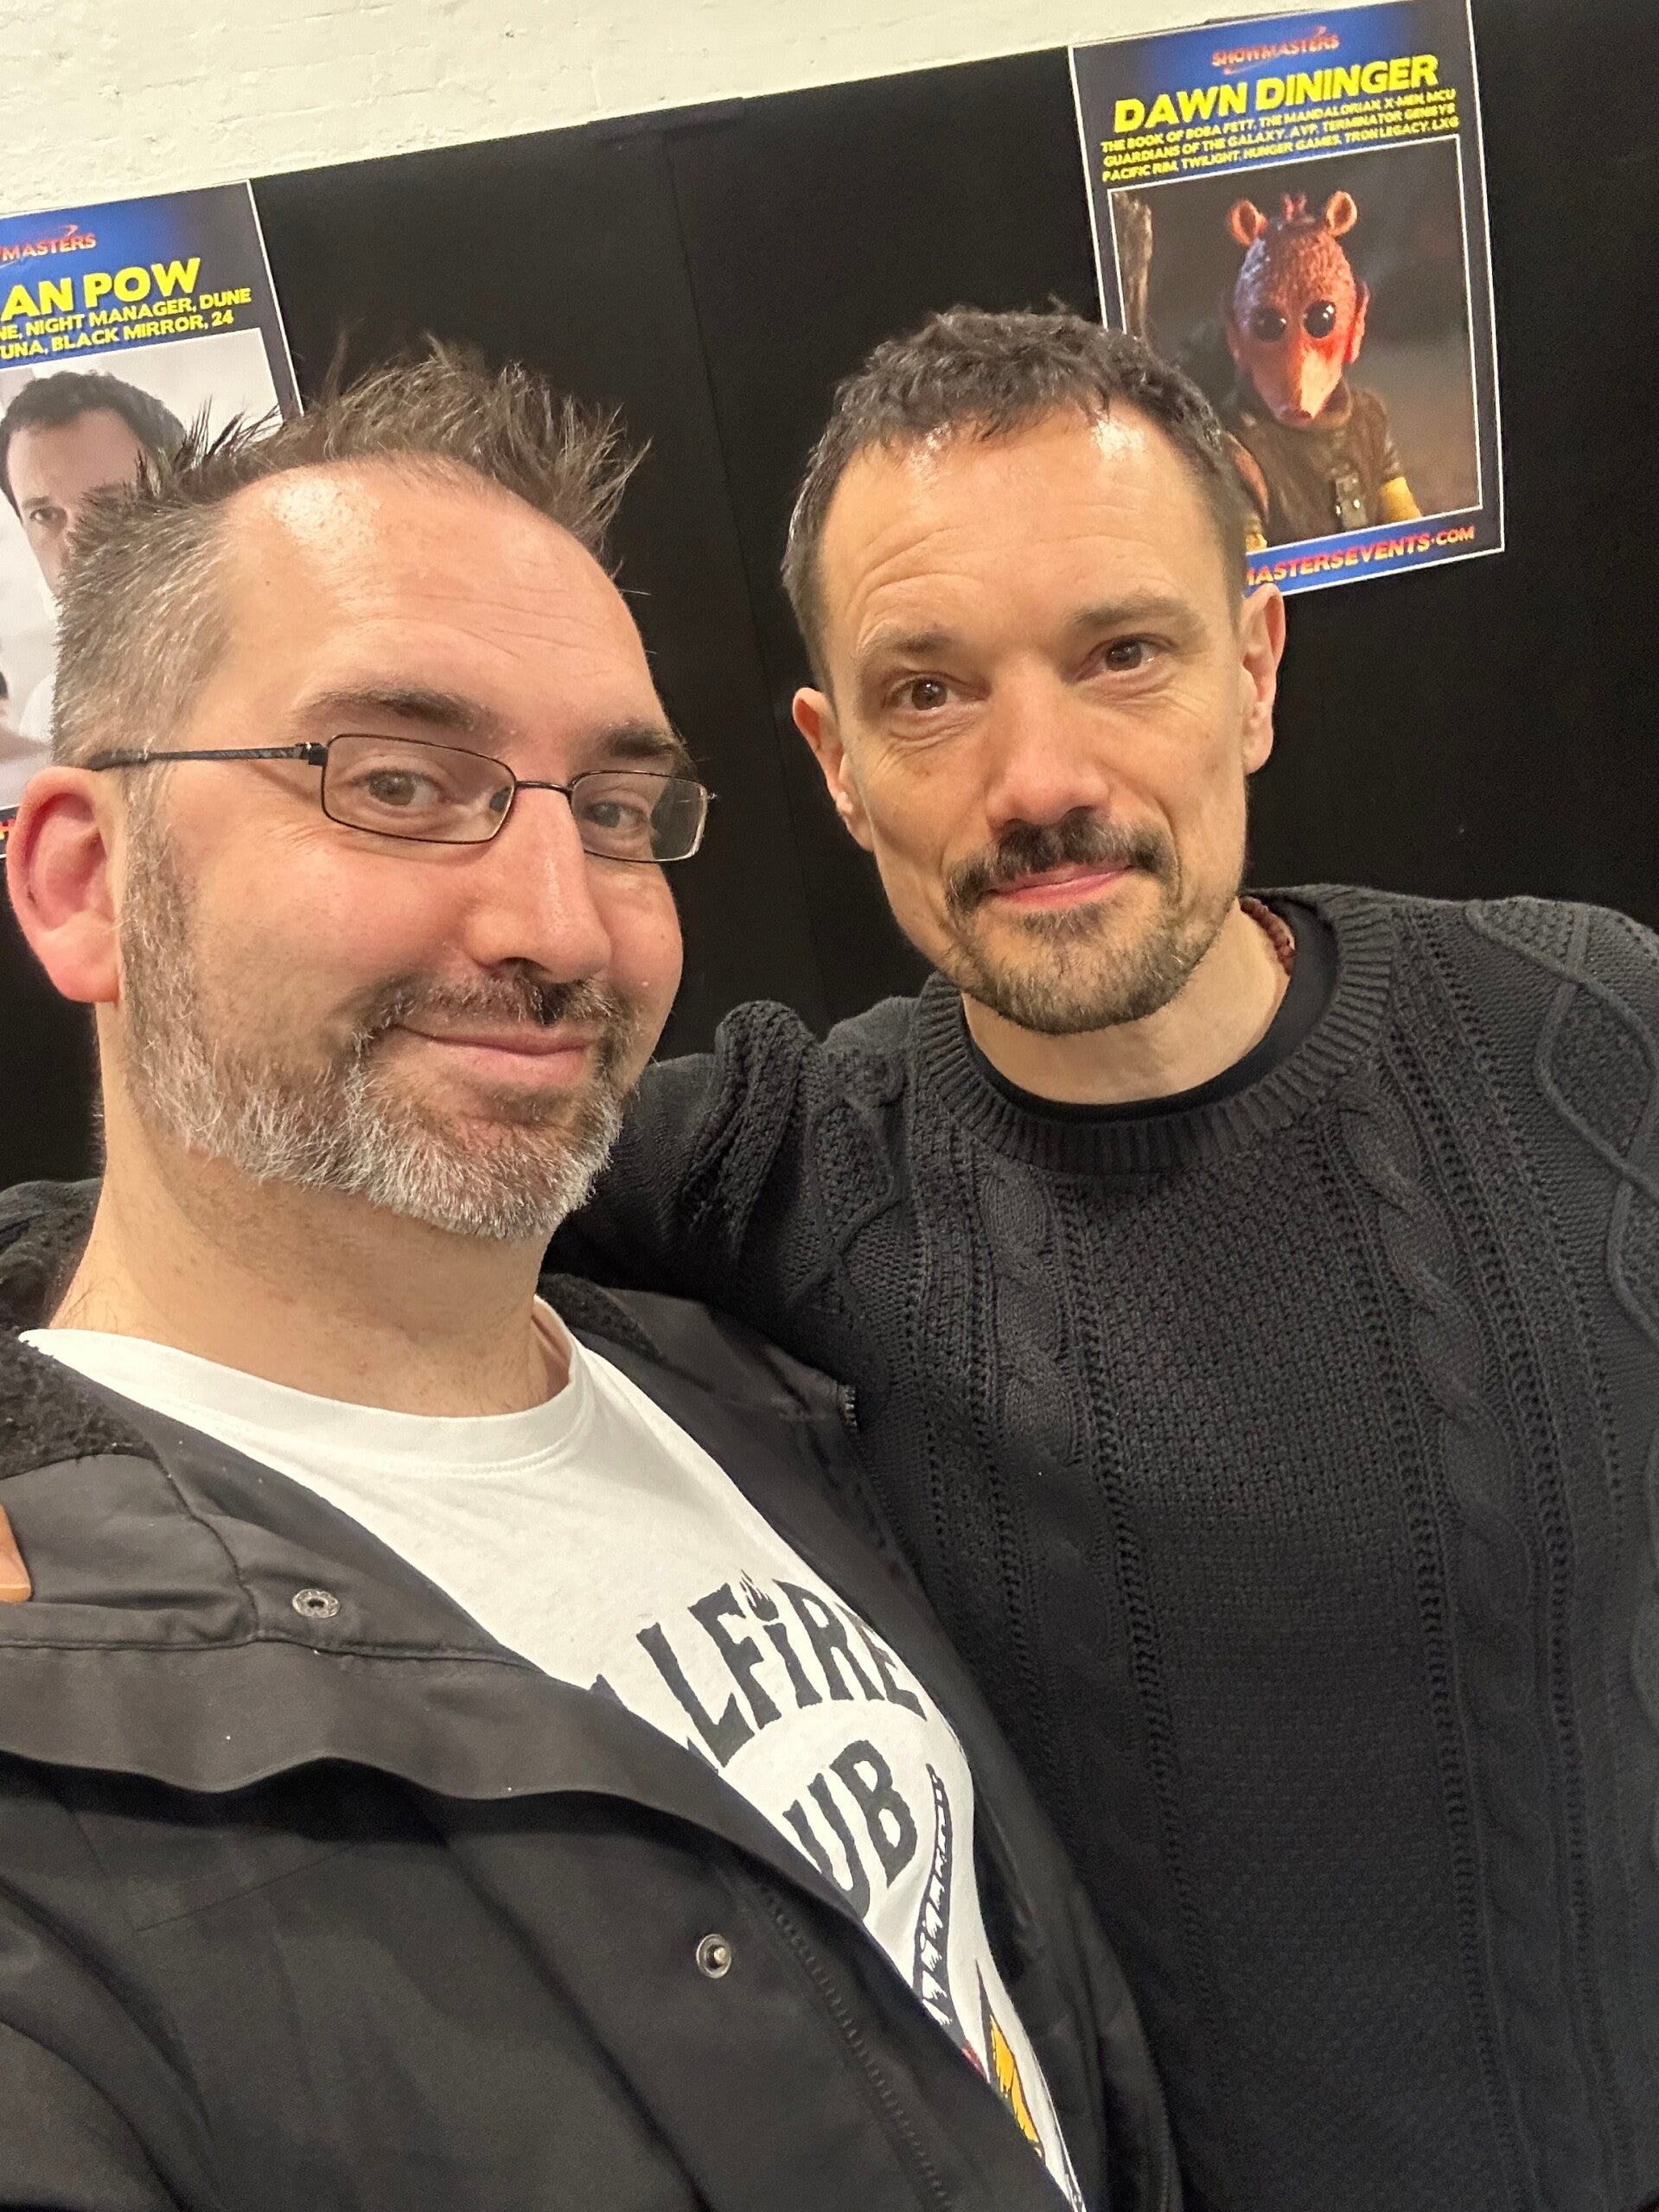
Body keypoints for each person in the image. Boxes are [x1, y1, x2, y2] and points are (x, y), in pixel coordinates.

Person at [0, 347, 1179, 2211]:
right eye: (398, 781)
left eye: (616, 810)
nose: (562, 927)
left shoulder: (728, 1375)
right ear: (83, 880)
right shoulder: (54, 1773)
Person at [557, 309, 1659, 2212]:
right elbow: (203, 1232)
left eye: (1121, 652)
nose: (1036, 776)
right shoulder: (777, 1159)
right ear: (834, 762)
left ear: (1253, 666)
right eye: (926, 691)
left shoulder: (1585, 1022)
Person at [0, 369, 186, 768]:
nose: (78, 542)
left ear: (184, 494)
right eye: (45, 514)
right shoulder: (46, 711)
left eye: (110, 503)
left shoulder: (283, 657)